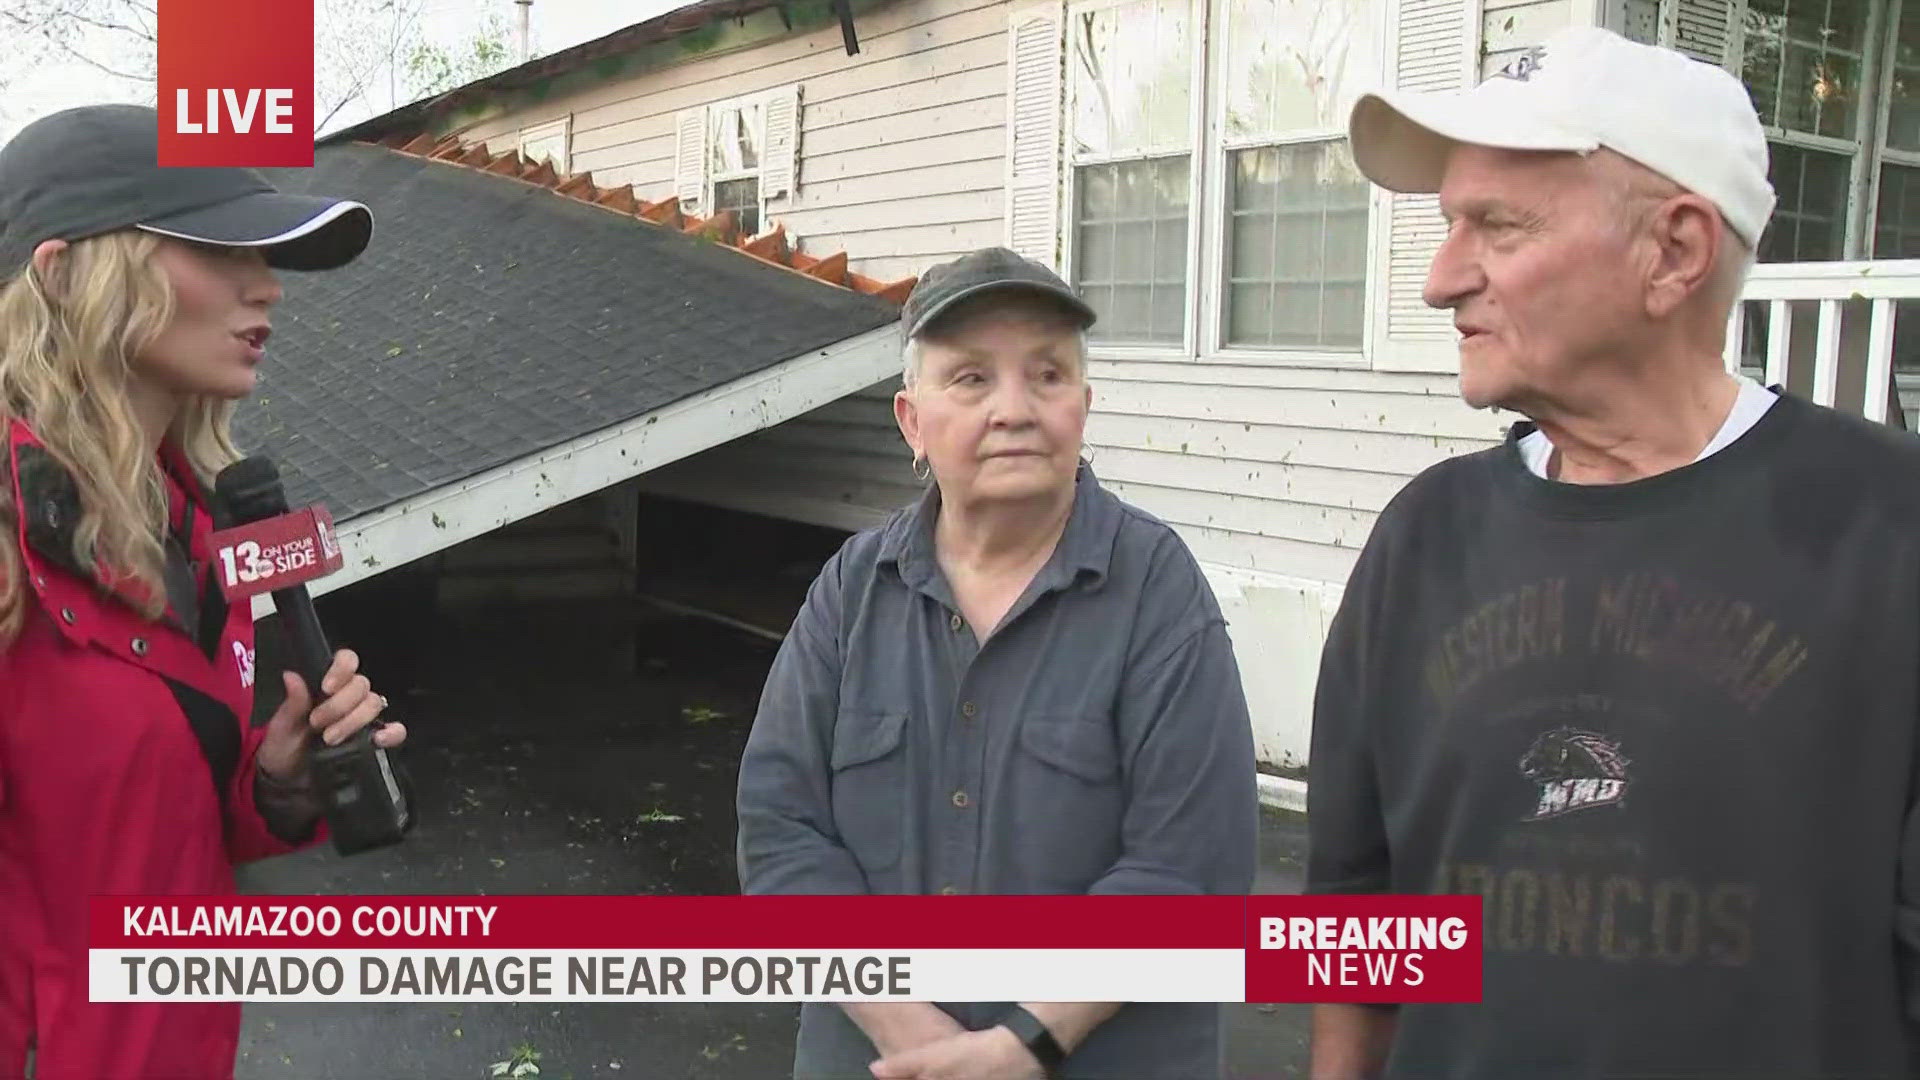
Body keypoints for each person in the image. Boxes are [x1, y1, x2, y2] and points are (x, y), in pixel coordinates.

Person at [1307, 24, 1920, 1079]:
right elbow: (1360, 923)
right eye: (1450, 226)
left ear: (1673, 252)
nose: (1440, 280)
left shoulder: (1891, 530)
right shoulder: (1424, 539)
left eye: (1496, 226)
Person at [735, 246, 1259, 1079]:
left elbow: (1190, 863)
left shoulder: (1157, 591)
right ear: (912, 421)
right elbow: (782, 828)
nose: (1014, 408)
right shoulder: (851, 591)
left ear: (1082, 406)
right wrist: (911, 1032)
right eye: (971, 379)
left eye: (1047, 375)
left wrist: (1028, 1043)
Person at [0, 105, 405, 1079]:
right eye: (218, 249)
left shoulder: (192, 531)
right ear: (65, 274)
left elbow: (138, 837)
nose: (265, 286)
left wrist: (277, 780)